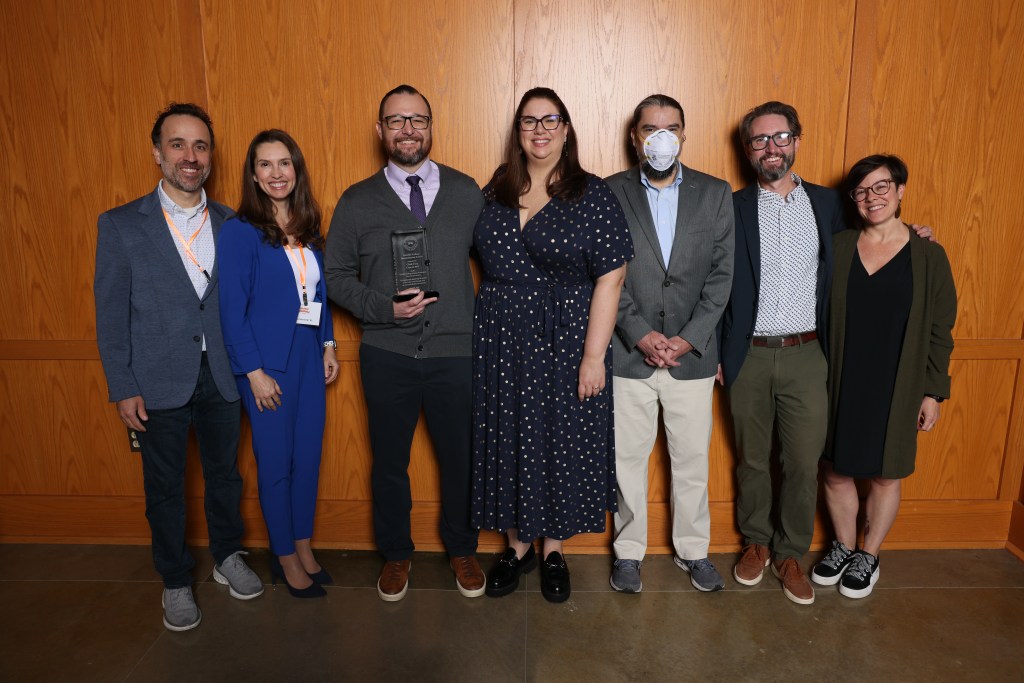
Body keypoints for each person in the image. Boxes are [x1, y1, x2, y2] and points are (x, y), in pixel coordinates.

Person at [94, 102, 263, 632]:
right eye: (178, 144)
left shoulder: (234, 223)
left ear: (210, 155)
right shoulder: (121, 225)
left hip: (223, 377)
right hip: (156, 379)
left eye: (200, 146)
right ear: (157, 153)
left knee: (225, 477)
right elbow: (110, 313)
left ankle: (228, 556)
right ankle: (174, 579)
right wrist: (122, 385)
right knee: (164, 488)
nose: (190, 156)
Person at [473, 87, 633, 603]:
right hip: (501, 339)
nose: (539, 130)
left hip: (566, 340)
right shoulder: (497, 187)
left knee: (560, 440)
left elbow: (611, 278)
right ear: (517, 130)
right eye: (529, 121)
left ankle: (553, 550)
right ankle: (517, 546)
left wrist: (593, 357)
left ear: (566, 129)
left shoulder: (592, 193)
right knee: (510, 436)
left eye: (550, 120)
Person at [325, 84, 485, 602]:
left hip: (456, 354)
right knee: (389, 463)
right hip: (388, 353)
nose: (408, 129)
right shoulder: (357, 201)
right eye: (396, 120)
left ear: (431, 127)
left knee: (461, 459)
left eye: (417, 119)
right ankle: (396, 554)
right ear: (381, 131)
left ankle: (462, 548)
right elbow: (335, 276)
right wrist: (382, 308)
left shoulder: (466, 192)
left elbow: (500, 264)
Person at [605, 94, 734, 594]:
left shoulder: (715, 193)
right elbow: (605, 273)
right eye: (649, 129)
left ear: (683, 133)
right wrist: (639, 333)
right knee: (627, 463)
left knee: (692, 463)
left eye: (670, 128)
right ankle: (628, 553)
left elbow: (721, 276)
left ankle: (694, 551)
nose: (660, 138)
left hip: (692, 358)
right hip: (628, 355)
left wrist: (688, 339)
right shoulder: (609, 192)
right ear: (635, 136)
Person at [811, 155, 956, 598]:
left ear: (899, 190)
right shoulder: (838, 246)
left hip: (898, 381)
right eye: (861, 191)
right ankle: (843, 546)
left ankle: (868, 554)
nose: (871, 198)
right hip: (840, 375)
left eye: (881, 187)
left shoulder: (928, 255)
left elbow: (940, 329)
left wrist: (932, 392)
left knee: (886, 475)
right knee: (834, 470)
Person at [719, 101, 843, 606]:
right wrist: (718, 352)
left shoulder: (829, 204)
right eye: (760, 140)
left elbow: (873, 241)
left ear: (796, 139)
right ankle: (757, 542)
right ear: (748, 149)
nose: (771, 148)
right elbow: (713, 281)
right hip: (747, 354)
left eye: (781, 137)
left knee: (802, 463)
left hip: (808, 355)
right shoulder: (732, 206)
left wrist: (915, 234)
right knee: (751, 459)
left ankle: (791, 553)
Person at [218, 129, 339, 599]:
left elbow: (318, 294)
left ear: (296, 169)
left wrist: (328, 344)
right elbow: (232, 310)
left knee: (307, 460)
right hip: (267, 366)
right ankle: (284, 555)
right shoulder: (240, 232)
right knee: (276, 463)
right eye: (265, 164)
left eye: (284, 163)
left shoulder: (307, 225)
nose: (276, 173)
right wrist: (254, 373)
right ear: (253, 174)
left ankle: (304, 546)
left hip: (308, 357)